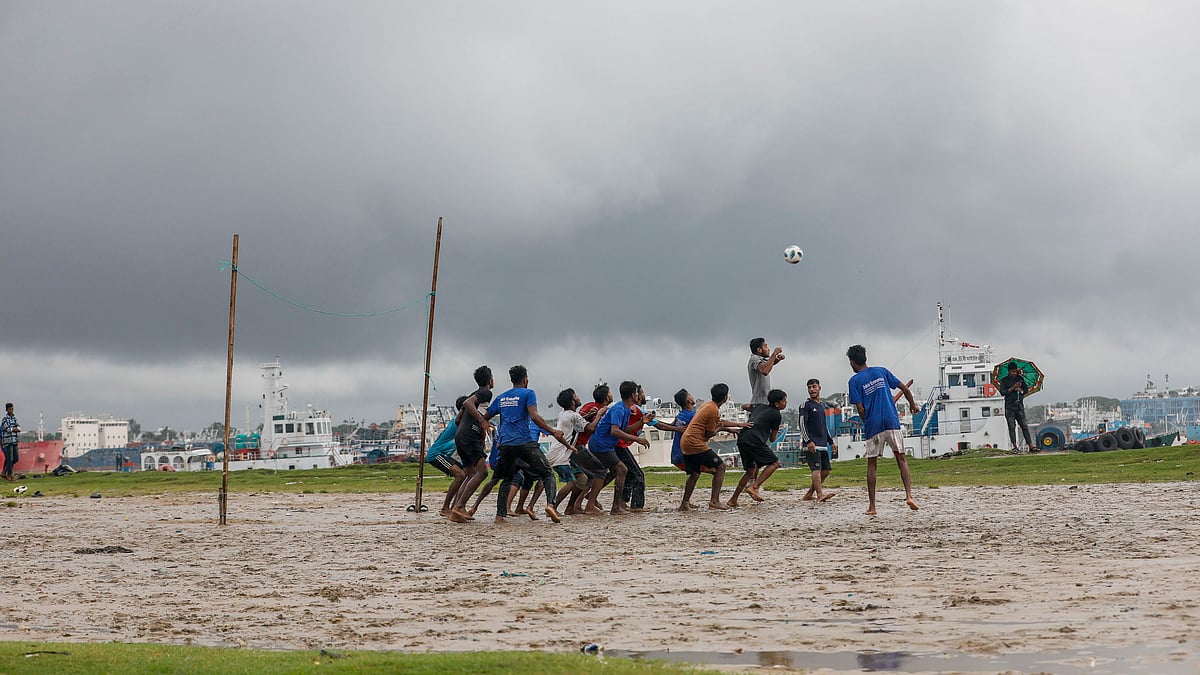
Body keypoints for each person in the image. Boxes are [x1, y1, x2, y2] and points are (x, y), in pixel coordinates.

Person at [484, 365, 569, 524]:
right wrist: (553, 431)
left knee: (507, 478)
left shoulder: (501, 397)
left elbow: (486, 417)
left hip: (506, 445)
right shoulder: (528, 393)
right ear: (525, 379)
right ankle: (551, 504)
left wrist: (489, 430)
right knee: (547, 473)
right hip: (524, 442)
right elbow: (535, 417)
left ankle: (500, 516)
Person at [846, 345, 921, 515]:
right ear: (865, 357)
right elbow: (905, 389)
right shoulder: (881, 371)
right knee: (901, 459)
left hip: (874, 425)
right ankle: (909, 495)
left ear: (851, 362)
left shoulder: (854, 381)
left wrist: (867, 422)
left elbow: (860, 409)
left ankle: (872, 507)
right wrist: (913, 405)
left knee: (872, 463)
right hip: (892, 421)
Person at [678, 383, 751, 511]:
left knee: (695, 473)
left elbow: (720, 423)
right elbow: (710, 433)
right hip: (695, 443)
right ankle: (714, 501)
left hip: (686, 442)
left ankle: (685, 503)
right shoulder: (713, 410)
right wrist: (724, 428)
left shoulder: (707, 405)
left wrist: (738, 425)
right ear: (725, 397)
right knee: (721, 466)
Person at [588, 381, 649, 515]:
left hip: (605, 446)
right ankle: (615, 507)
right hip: (600, 445)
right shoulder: (619, 409)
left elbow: (624, 429)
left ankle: (591, 501)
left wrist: (640, 422)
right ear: (633, 394)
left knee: (614, 472)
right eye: (637, 393)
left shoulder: (626, 409)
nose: (639, 395)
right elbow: (614, 431)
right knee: (622, 470)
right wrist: (637, 438)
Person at [449, 367, 495, 522]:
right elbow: (469, 403)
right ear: (490, 380)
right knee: (482, 472)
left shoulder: (473, 395)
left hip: (460, 436)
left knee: (470, 474)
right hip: (469, 437)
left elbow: (457, 420)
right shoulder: (485, 392)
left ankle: (456, 511)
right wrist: (482, 421)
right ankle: (460, 507)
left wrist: (480, 426)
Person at [728, 389, 786, 507]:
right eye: (784, 401)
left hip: (743, 438)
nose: (786, 402)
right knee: (775, 463)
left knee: (750, 470)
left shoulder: (759, 406)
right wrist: (773, 429)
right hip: (754, 440)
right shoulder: (776, 414)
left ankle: (733, 499)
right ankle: (754, 487)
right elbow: (772, 439)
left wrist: (749, 409)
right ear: (776, 404)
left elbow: (745, 406)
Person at [426, 396, 468, 518]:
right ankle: (445, 508)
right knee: (460, 475)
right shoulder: (458, 421)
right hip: (436, 454)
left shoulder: (464, 422)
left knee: (466, 474)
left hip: (445, 455)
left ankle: (456, 507)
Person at [800, 378, 838, 502]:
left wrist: (831, 442)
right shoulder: (805, 405)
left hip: (822, 444)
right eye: (809, 387)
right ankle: (820, 494)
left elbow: (824, 425)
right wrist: (808, 441)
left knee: (826, 470)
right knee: (816, 469)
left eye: (814, 387)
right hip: (811, 444)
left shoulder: (822, 406)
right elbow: (802, 424)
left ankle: (809, 494)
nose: (812, 389)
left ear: (819, 388)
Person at [999, 363, 1033, 453]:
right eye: (1012, 372)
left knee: (1024, 426)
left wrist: (1020, 390)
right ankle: (1014, 447)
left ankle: (1031, 445)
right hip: (1009, 407)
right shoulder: (1004, 380)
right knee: (1011, 427)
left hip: (1019, 406)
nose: (1014, 373)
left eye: (1015, 371)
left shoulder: (1020, 379)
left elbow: (1026, 390)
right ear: (1009, 371)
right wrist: (1013, 387)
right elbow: (1003, 392)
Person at [745, 338, 785, 412]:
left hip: (765, 402)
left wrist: (777, 359)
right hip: (759, 403)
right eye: (766, 347)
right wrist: (774, 354)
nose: (768, 349)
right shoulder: (754, 358)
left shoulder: (760, 359)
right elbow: (765, 370)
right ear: (759, 350)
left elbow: (768, 364)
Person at [1, 403, 19, 482]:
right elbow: (8, 429)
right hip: (8, 441)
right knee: (10, 458)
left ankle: (4, 471)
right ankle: (10, 476)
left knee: (15, 458)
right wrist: (14, 429)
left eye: (12, 409)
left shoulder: (14, 418)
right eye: (10, 409)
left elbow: (19, 427)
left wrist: (13, 429)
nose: (11, 410)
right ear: (7, 410)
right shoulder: (4, 419)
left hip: (14, 440)